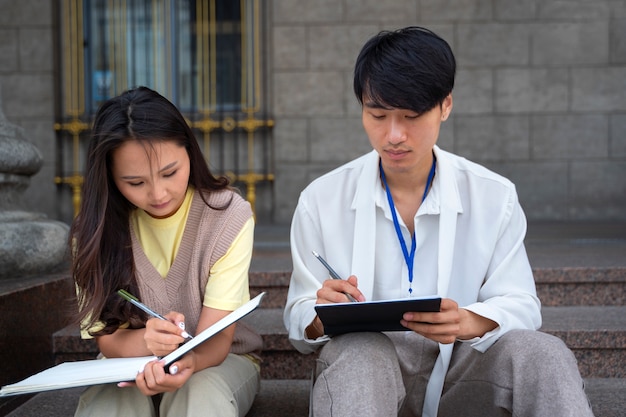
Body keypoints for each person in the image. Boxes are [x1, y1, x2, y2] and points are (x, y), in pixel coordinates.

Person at [283, 26, 593, 417]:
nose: (393, 135)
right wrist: (318, 313)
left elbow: (522, 303)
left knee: (544, 354)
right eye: (377, 115)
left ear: (445, 106)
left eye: (411, 116)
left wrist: (467, 321)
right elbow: (297, 319)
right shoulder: (321, 200)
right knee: (361, 352)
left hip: (463, 371)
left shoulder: (493, 196)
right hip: (365, 375)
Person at [70, 87, 262, 417]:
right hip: (126, 365)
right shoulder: (92, 233)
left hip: (217, 362)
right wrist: (147, 342)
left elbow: (216, 342)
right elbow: (108, 341)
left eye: (169, 173)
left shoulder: (227, 216)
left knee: (199, 399)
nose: (158, 194)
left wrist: (185, 360)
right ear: (111, 178)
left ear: (189, 150)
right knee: (108, 406)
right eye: (135, 182)